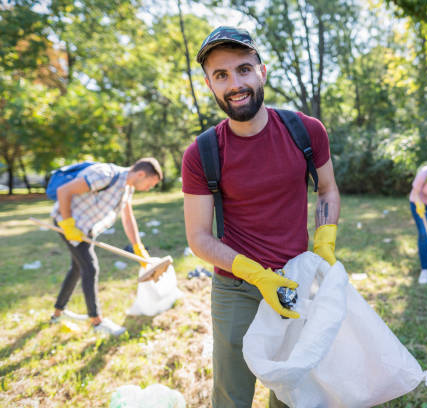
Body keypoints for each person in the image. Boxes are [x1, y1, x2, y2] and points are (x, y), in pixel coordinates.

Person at [181, 26, 341, 408]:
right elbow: (199, 237)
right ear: (209, 85)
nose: (235, 83)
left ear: (262, 72)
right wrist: (255, 274)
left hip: (295, 278)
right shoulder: (201, 153)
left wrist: (325, 241)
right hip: (235, 288)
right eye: (221, 75)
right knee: (231, 395)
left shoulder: (306, 131)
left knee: (290, 389)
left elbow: (327, 190)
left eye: (243, 69)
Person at [49, 158, 163, 335]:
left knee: (78, 268)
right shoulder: (105, 174)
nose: (149, 188)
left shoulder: (126, 189)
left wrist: (138, 247)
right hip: (67, 223)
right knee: (90, 267)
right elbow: (64, 191)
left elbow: (127, 218)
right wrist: (68, 224)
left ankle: (57, 314)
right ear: (141, 174)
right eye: (150, 184)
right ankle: (97, 322)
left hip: (84, 229)